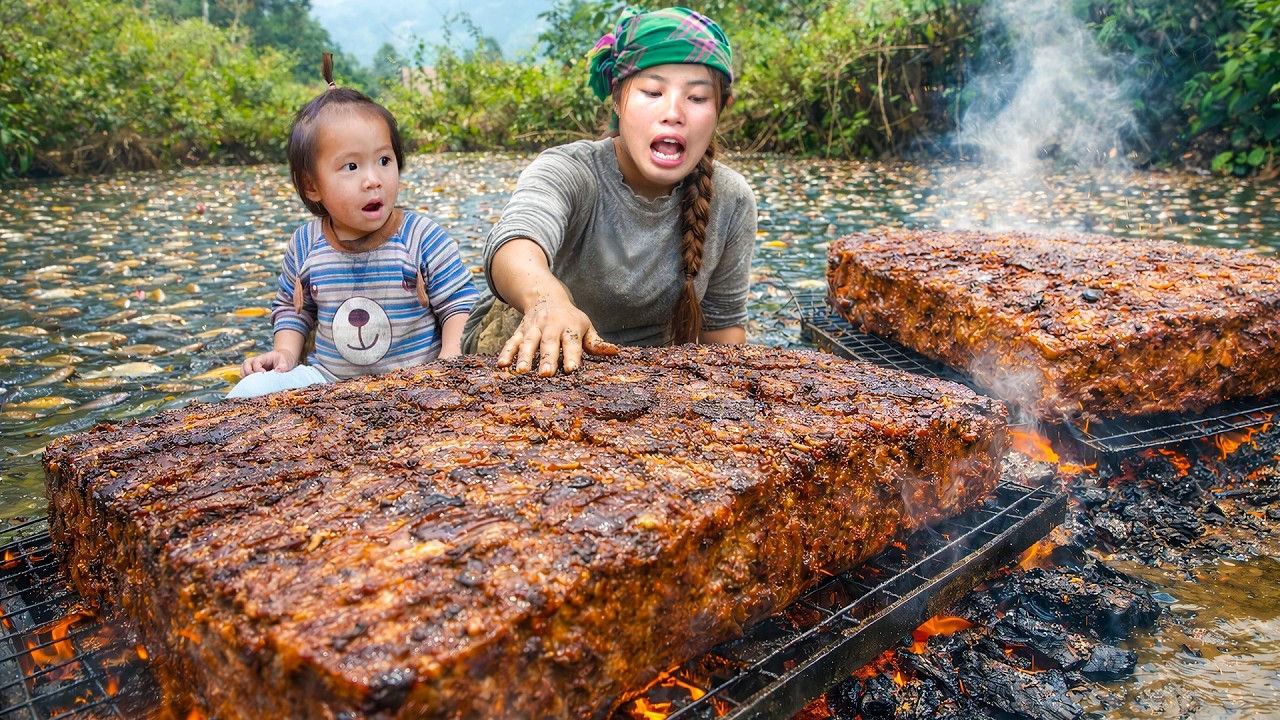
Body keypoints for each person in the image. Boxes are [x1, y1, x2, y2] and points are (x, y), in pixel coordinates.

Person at [461, 5, 757, 376]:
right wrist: (547, 300)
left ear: (720, 109)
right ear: (617, 98)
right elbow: (515, 241)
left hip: (646, 381)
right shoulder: (570, 170)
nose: (674, 112)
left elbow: (723, 332)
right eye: (652, 91)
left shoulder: (731, 198)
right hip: (531, 362)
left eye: (697, 98)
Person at [228, 54, 478, 399]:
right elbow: (292, 308)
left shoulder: (422, 237)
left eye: (384, 161)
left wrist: (449, 363)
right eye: (350, 167)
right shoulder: (306, 243)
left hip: (417, 382)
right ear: (312, 186)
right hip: (327, 384)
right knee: (251, 390)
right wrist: (285, 353)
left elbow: (459, 303)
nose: (373, 180)